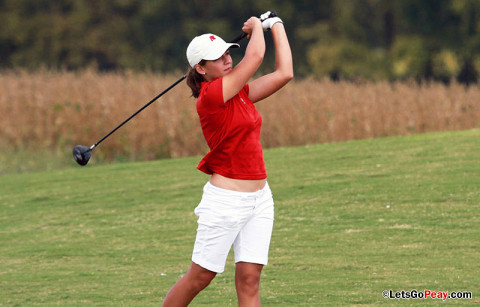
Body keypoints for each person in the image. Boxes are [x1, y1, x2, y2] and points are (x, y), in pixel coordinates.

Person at [162, 11, 293, 307]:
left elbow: (285, 73)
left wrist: (276, 25)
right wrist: (256, 27)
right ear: (200, 68)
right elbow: (256, 56)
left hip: (260, 199)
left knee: (250, 280)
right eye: (216, 57)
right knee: (200, 278)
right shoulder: (211, 96)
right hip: (225, 202)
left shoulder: (241, 93)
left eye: (226, 52)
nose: (226, 59)